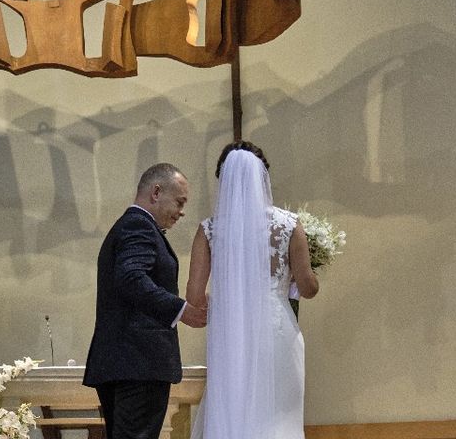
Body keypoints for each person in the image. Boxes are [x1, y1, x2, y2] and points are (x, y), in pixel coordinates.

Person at [186, 141, 319, 439]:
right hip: (276, 331)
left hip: (230, 334)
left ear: (224, 179)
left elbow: (194, 297)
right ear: (263, 178)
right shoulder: (289, 225)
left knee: (234, 407)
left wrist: (226, 301)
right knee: (276, 415)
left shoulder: (208, 230)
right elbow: (308, 288)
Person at [83, 163, 207, 439]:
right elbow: (131, 278)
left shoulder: (130, 226)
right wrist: (180, 309)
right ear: (156, 192)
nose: (181, 211)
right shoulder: (139, 225)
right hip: (139, 362)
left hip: (127, 362)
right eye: (179, 201)